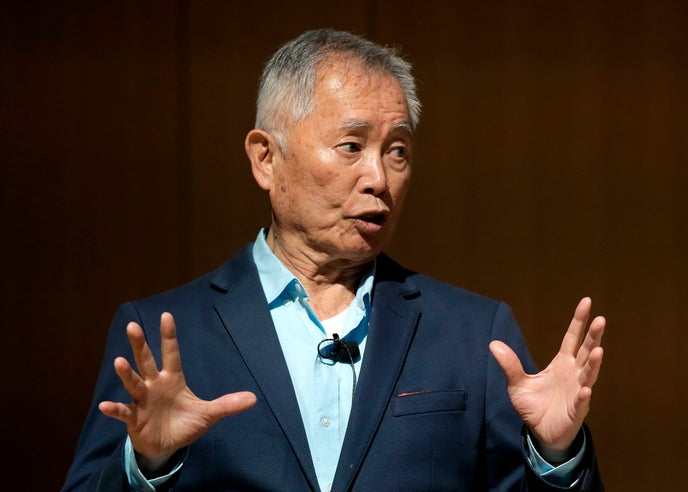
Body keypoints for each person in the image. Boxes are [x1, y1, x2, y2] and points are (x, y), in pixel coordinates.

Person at [62, 28, 606, 491]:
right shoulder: (165, 334)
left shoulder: (474, 333)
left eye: (398, 151)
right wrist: (146, 468)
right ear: (265, 159)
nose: (379, 179)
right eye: (351, 146)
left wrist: (557, 457)